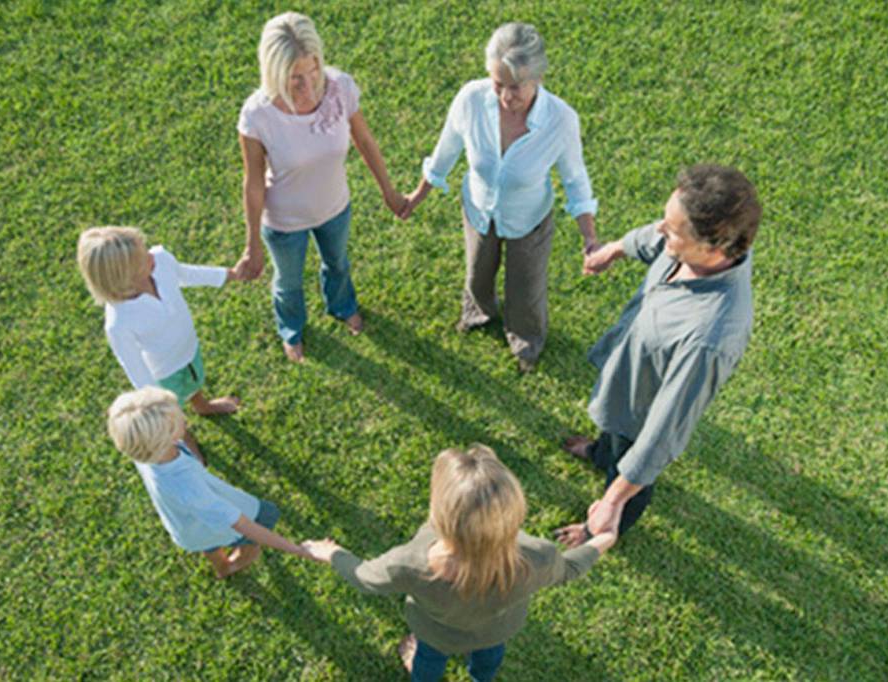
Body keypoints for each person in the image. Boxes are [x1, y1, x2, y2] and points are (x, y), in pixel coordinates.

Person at [555, 164, 762, 546]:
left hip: (643, 413)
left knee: (629, 457)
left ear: (713, 247)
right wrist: (614, 250)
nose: (661, 230)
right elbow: (655, 235)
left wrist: (611, 501)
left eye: (673, 230)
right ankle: (601, 452)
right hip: (631, 375)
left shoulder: (709, 339)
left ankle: (607, 522)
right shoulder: (692, 246)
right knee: (613, 431)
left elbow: (661, 435)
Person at [304, 445, 617, 681]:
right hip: (495, 633)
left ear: (440, 511)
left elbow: (364, 578)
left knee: (427, 661)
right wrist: (605, 538)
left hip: (435, 635)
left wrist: (332, 552)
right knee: (488, 659)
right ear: (513, 509)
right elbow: (570, 568)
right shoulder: (538, 556)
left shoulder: (408, 563)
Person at [401, 22, 599, 372]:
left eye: (516, 86)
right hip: (479, 210)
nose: (506, 97)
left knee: (526, 289)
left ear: (538, 77)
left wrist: (589, 238)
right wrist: (417, 195)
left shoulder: (561, 120)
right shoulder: (470, 100)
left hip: (529, 219)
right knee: (477, 273)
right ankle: (479, 313)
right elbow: (446, 150)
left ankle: (526, 341)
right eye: (498, 84)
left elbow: (575, 180)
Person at [235, 11, 406, 362]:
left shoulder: (339, 87)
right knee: (288, 283)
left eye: (313, 70)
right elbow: (253, 183)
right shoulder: (257, 116)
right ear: (273, 72)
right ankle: (292, 329)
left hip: (335, 207)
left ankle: (343, 306)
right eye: (295, 77)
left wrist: (389, 191)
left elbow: (364, 140)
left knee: (338, 263)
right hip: (284, 222)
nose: (308, 85)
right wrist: (252, 243)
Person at [107, 386, 316, 578]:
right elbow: (243, 525)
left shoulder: (144, 452)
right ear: (166, 438)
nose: (184, 417)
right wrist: (300, 550)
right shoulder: (188, 487)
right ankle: (236, 562)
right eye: (178, 418)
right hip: (212, 520)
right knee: (262, 520)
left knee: (207, 541)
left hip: (188, 528)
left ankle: (222, 567)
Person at [77, 226, 241, 463]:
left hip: (189, 349)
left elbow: (186, 274)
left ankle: (202, 405)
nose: (151, 255)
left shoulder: (160, 262)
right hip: (165, 376)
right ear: (122, 277)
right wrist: (157, 399)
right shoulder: (119, 323)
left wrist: (228, 274)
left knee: (195, 381)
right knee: (173, 411)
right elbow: (136, 370)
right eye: (142, 259)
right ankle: (184, 435)